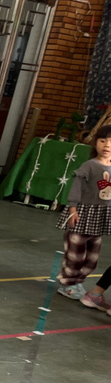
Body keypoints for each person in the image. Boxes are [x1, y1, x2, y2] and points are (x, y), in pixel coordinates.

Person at [55, 125, 111, 300]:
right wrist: (73, 209)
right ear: (95, 143)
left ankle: (77, 281)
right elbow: (76, 188)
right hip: (83, 214)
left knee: (92, 257)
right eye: (102, 141)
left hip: (100, 217)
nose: (107, 145)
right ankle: (67, 284)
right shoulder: (90, 165)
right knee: (75, 254)